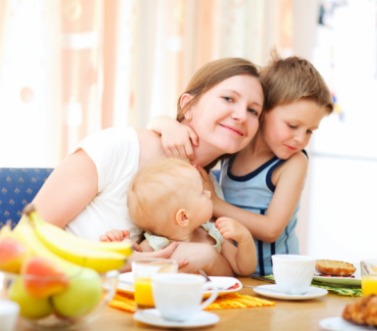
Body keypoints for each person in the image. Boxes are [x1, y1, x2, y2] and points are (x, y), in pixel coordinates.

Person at [32, 57, 265, 275]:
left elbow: (227, 271)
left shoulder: (208, 189)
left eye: (253, 110)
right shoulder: (118, 147)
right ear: (188, 105)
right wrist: (124, 262)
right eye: (228, 98)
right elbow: (26, 239)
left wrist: (210, 258)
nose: (241, 116)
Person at [150, 52, 334, 275]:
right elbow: (193, 134)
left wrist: (216, 204)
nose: (300, 138)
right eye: (292, 125)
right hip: (233, 268)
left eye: (309, 131)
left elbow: (271, 229)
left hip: (276, 277)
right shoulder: (236, 145)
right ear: (264, 111)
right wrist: (167, 124)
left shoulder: (293, 162)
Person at [101, 158, 257, 276]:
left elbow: (243, 269)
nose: (209, 194)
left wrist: (245, 239)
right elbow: (133, 269)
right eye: (202, 193)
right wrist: (122, 246)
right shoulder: (155, 246)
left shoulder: (213, 234)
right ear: (183, 217)